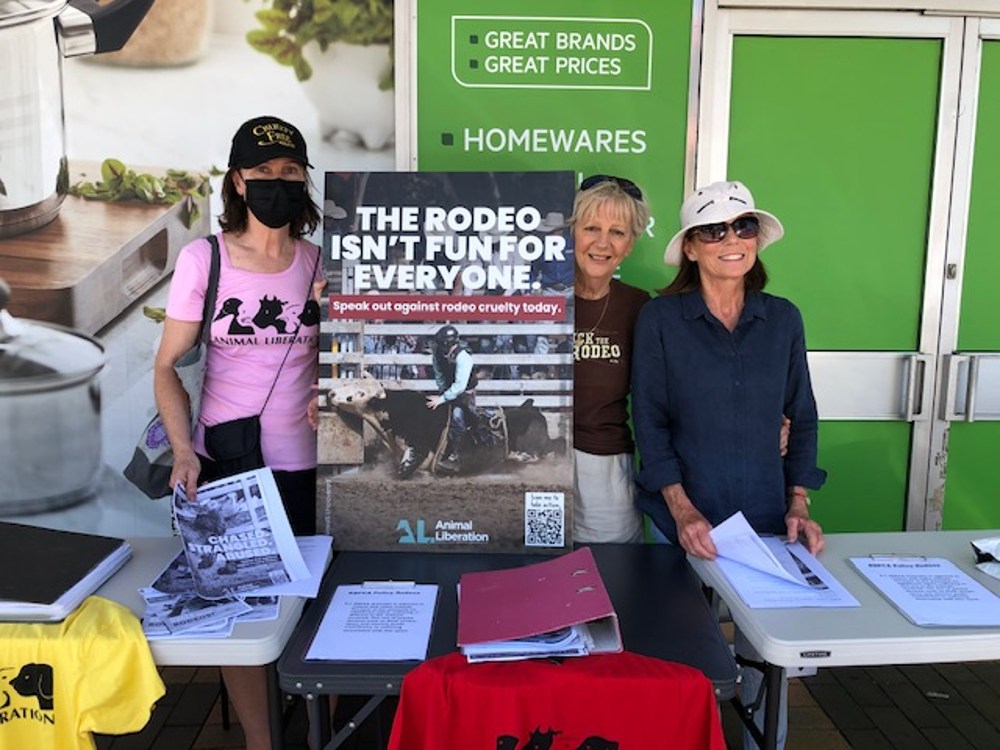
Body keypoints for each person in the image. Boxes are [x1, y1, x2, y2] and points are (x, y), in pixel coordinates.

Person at [631, 180, 826, 750]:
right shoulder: (661, 321)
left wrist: (799, 503)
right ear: (691, 247)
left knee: (767, 660)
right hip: (681, 523)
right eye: (713, 231)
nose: (731, 241)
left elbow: (803, 416)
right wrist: (682, 509)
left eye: (743, 227)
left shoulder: (783, 320)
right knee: (681, 657)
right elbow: (651, 422)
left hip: (764, 517)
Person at [153, 114, 322, 750]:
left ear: (304, 180)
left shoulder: (320, 262)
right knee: (240, 619)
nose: (277, 184)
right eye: (263, 174)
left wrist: (326, 395)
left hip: (310, 467)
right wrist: (179, 451)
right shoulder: (206, 260)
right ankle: (261, 742)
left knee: (311, 607)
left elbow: (347, 357)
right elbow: (167, 366)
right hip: (227, 468)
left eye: (289, 172)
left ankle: (316, 731)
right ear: (238, 182)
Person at [569, 175, 652, 543]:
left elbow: (670, 395)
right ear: (572, 233)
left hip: (605, 471)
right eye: (591, 228)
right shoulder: (537, 295)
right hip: (535, 459)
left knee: (612, 581)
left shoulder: (639, 307)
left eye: (617, 232)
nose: (602, 243)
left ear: (631, 244)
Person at [426, 324, 477, 473]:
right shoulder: (438, 354)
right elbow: (439, 374)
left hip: (464, 395)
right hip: (448, 391)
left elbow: (460, 386)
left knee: (457, 418)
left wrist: (442, 399)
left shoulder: (463, 358)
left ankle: (457, 456)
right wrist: (442, 391)